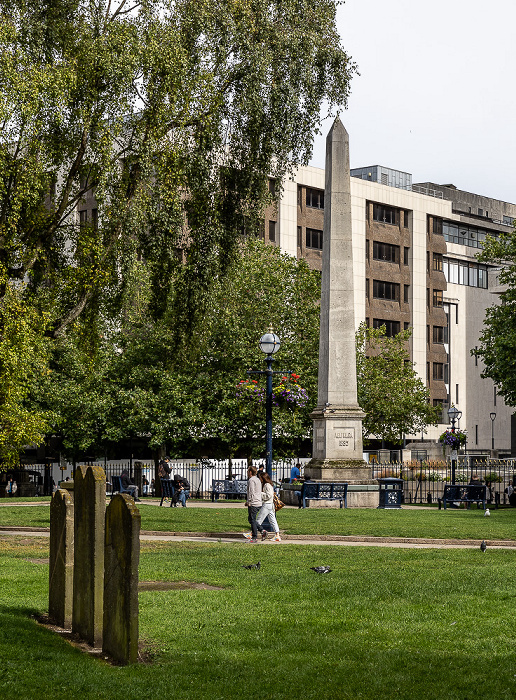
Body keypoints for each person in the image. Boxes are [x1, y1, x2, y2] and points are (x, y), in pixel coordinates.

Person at [255, 472, 281, 542]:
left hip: (267, 504)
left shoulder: (266, 485)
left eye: (260, 477)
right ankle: (277, 535)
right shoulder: (268, 484)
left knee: (258, 520)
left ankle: (252, 534)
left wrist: (260, 493)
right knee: (272, 520)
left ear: (263, 478)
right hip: (270, 504)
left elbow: (269, 495)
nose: (259, 479)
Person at [243, 466, 262, 543]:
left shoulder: (251, 480)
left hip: (253, 502)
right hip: (258, 502)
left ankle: (255, 536)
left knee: (252, 520)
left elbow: (251, 492)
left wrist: (249, 502)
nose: (247, 473)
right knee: (251, 519)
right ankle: (262, 530)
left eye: (248, 471)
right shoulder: (258, 479)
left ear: (250, 472)